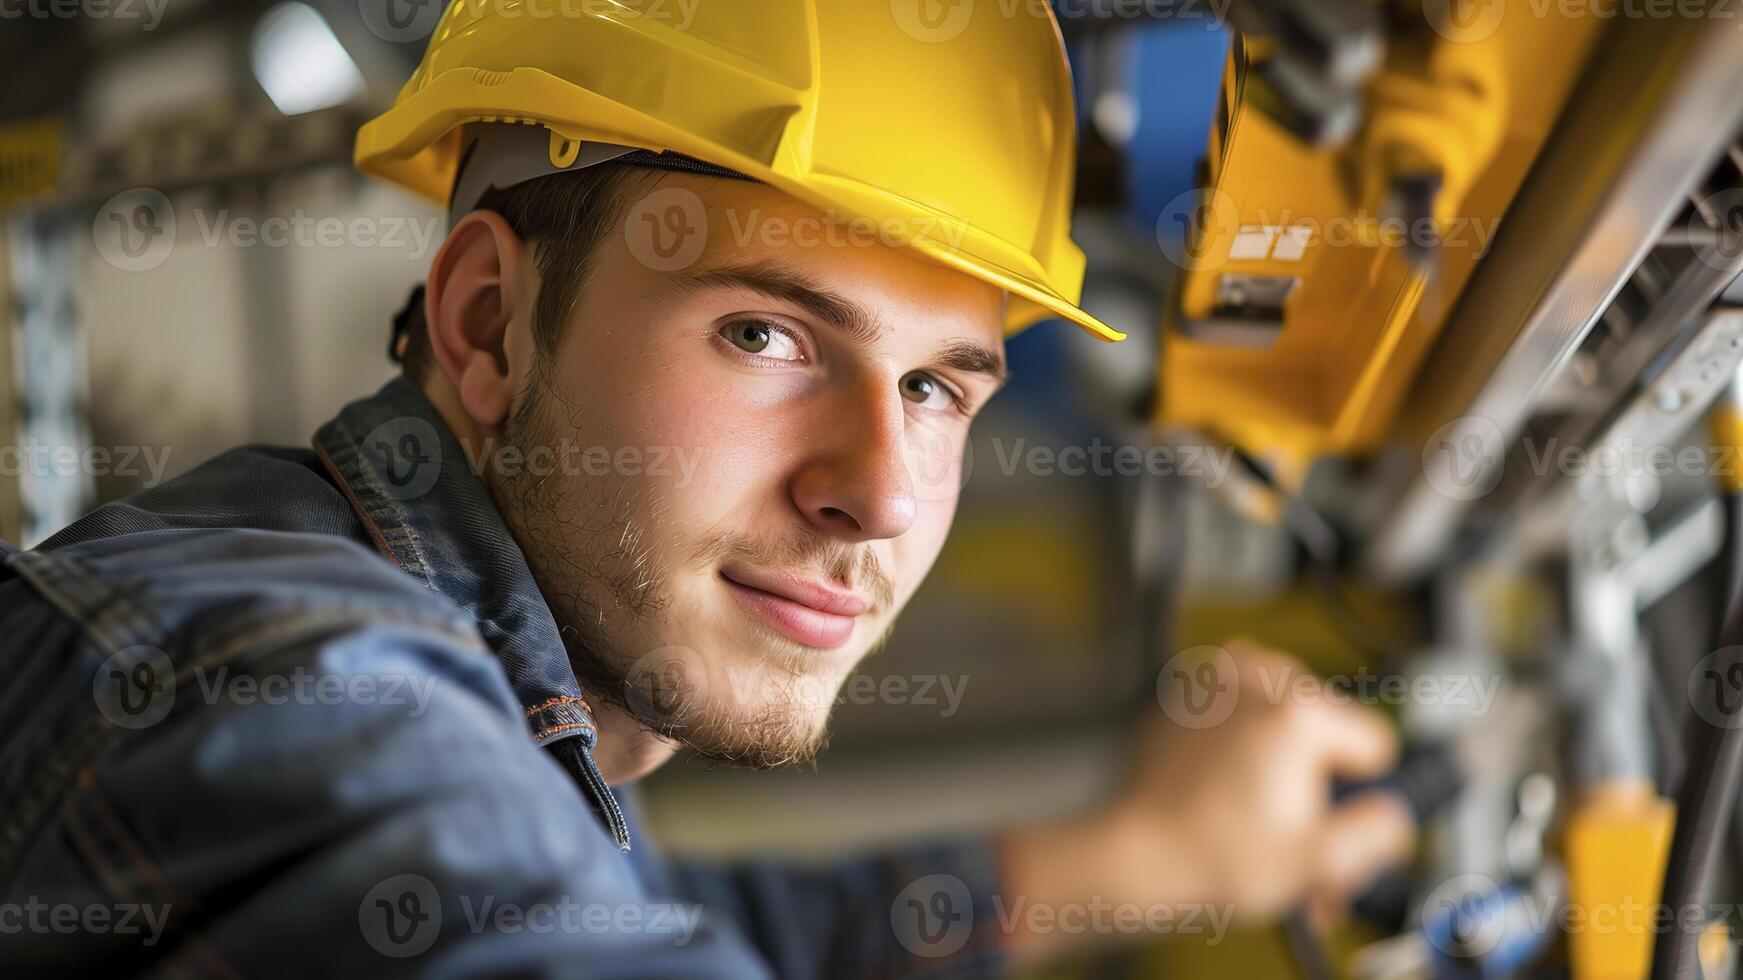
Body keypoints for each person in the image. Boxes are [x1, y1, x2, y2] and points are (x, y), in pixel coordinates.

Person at [0, 3, 1412, 975]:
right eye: (767, 337)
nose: (882, 495)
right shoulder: (283, 671)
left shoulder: (488, 700)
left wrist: (1147, 852)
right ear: (488, 323)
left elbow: (668, 919)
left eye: (935, 389)